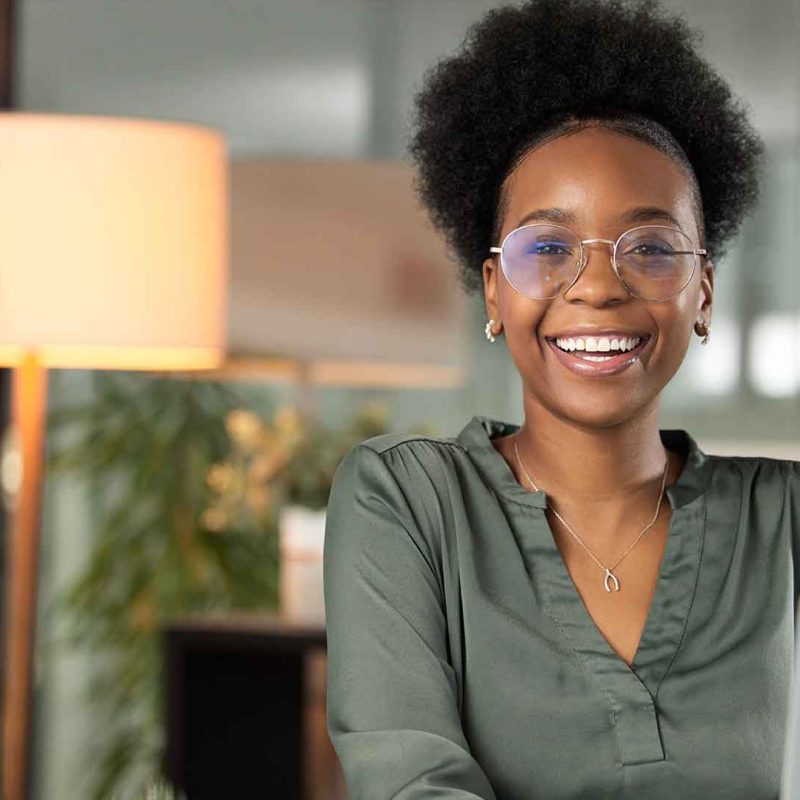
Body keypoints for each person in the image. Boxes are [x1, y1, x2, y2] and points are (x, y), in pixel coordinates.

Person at [322, 1, 800, 797]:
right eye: (547, 249)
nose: (601, 288)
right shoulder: (406, 503)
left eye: (650, 248)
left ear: (705, 293)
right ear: (493, 291)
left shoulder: (780, 522)